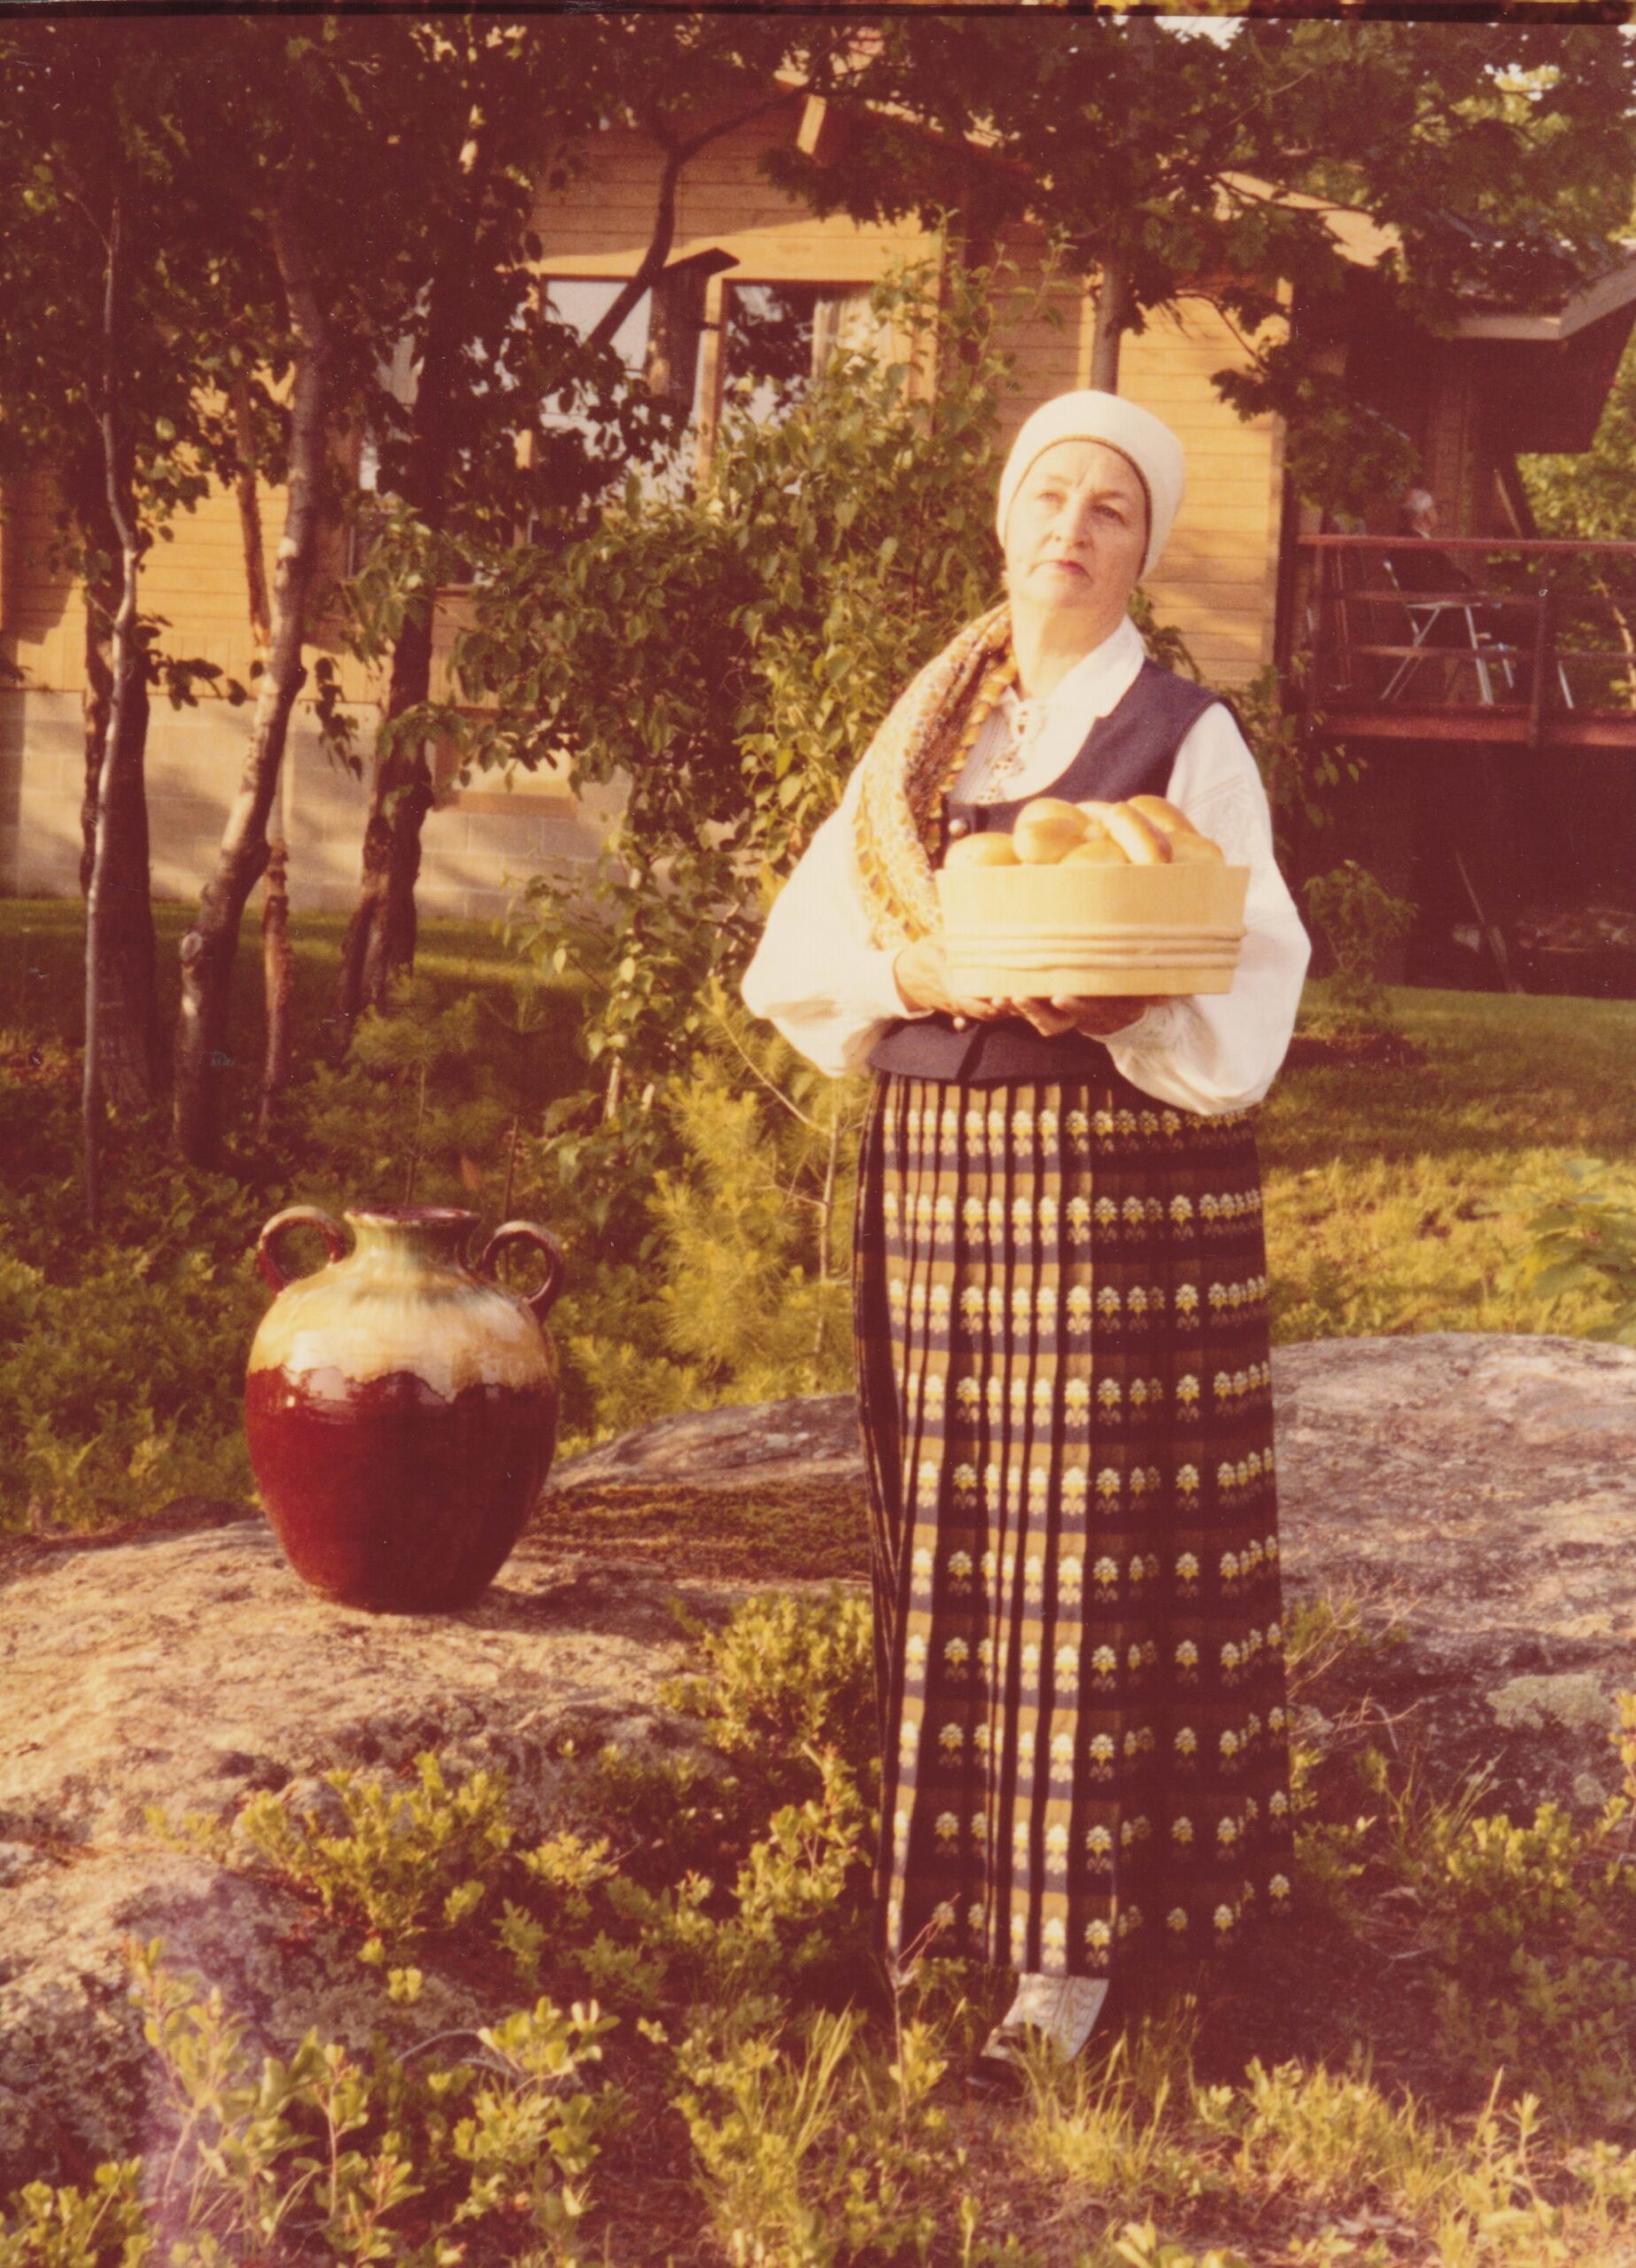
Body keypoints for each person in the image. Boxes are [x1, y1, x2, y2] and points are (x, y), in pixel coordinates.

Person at [741, 389, 1311, 2080]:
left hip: (1102, 1167)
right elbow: (807, 946)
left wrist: (1118, 997)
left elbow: (1253, 953)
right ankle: (938, 1916)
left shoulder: (1183, 734)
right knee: (952, 1536)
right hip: (936, 1171)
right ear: (1004, 524)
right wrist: (923, 971)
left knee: (1077, 1551)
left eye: (1110, 510)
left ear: (1141, 552)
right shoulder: (925, 740)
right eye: (1047, 496)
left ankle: (1065, 1963)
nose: (1071, 525)